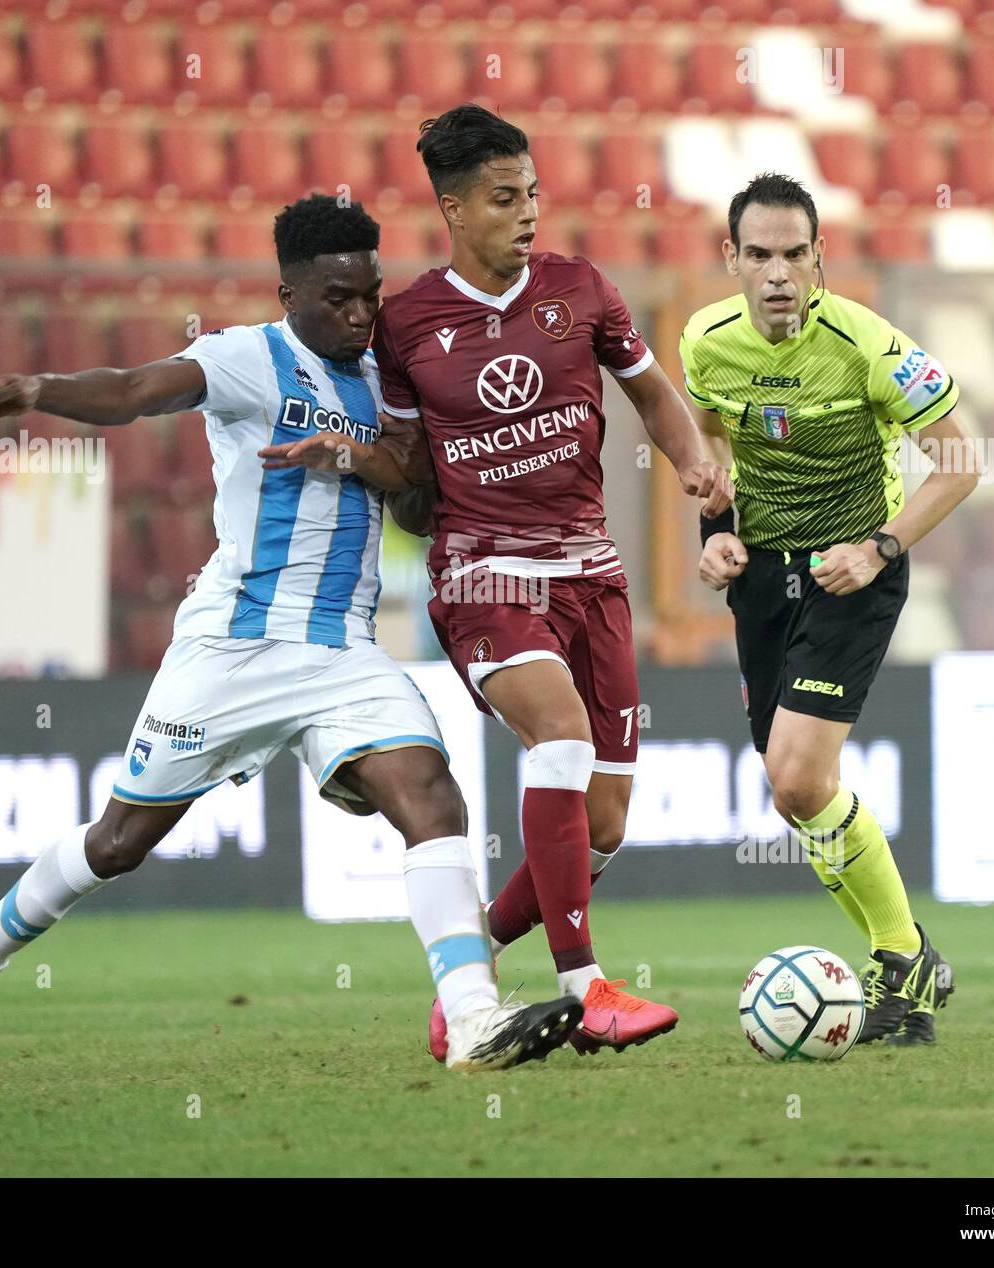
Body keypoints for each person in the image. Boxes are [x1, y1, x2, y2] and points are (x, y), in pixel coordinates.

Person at [0, 195, 582, 1075]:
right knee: (119, 843)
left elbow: (419, 502)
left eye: (370, 296)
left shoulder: (389, 377)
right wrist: (39, 390)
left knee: (434, 797)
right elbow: (133, 391)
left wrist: (352, 455)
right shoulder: (246, 360)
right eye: (338, 298)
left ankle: (471, 1021)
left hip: (342, 652)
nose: (358, 315)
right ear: (289, 294)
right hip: (233, 647)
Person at [267, 105, 730, 1058]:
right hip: (483, 577)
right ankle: (585, 984)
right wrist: (355, 457)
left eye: (533, 194)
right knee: (557, 734)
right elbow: (403, 466)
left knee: (602, 826)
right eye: (504, 198)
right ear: (453, 209)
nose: (528, 213)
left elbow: (650, 392)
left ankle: (464, 971)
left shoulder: (582, 289)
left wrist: (693, 464)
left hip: (591, 577)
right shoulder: (406, 325)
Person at [679, 172, 978, 1044]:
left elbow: (960, 463)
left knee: (802, 778)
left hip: (854, 571)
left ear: (820, 260)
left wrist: (880, 546)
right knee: (790, 792)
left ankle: (903, 957)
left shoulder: (871, 347)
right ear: (731, 258)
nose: (778, 274)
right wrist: (720, 529)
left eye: (795, 255)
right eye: (760, 255)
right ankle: (907, 957)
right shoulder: (704, 342)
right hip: (763, 579)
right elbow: (709, 440)